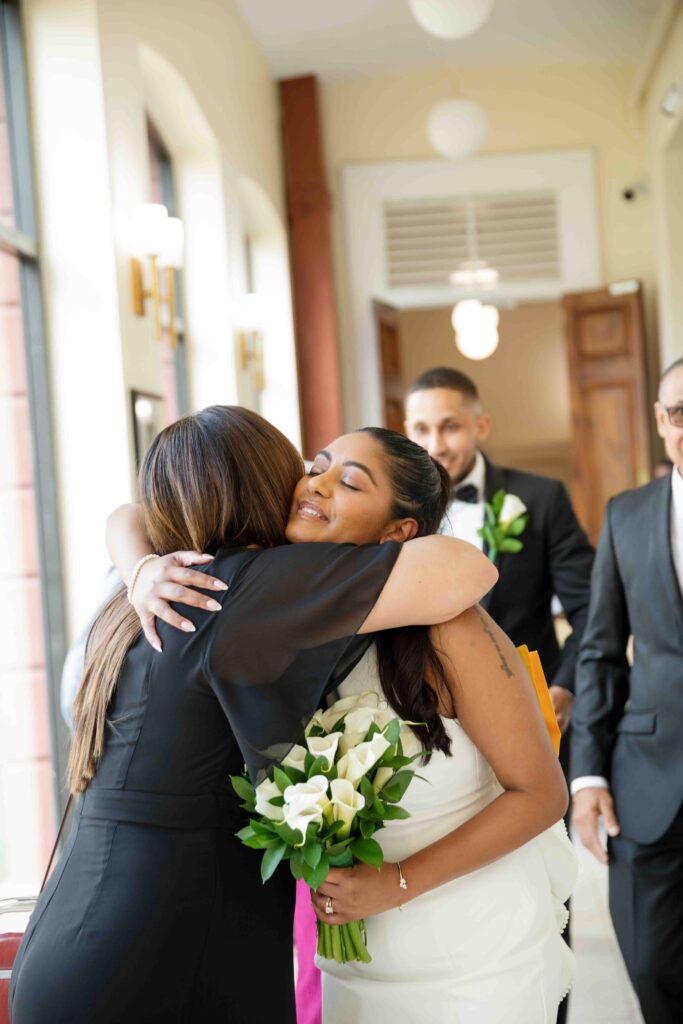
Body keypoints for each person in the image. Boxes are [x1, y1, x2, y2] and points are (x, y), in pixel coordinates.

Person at [9, 407, 495, 1024]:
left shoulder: (143, 586)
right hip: (164, 949)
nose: (309, 486)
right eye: (301, 471)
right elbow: (467, 568)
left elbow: (124, 514)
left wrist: (135, 563)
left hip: (70, 938)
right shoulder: (253, 583)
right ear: (261, 485)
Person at [129, 425, 575, 1023]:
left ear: (398, 533)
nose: (318, 483)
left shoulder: (448, 626)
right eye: (318, 466)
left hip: (471, 954)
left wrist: (394, 883)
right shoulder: (281, 609)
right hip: (357, 965)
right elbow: (130, 511)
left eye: (350, 482)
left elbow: (542, 794)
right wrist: (139, 569)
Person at [571, 357, 683, 1024]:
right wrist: (587, 775)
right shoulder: (626, 514)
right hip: (647, 780)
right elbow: (599, 652)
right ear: (660, 420)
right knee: (650, 965)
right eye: (679, 413)